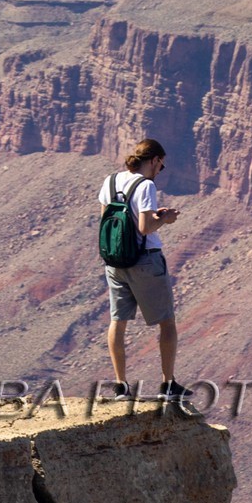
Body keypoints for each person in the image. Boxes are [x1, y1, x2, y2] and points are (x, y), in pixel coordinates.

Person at [98, 138, 184, 400]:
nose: (161, 170)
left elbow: (106, 219)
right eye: (162, 165)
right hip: (145, 261)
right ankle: (168, 385)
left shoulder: (111, 181)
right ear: (155, 160)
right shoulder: (146, 185)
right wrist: (166, 219)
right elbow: (145, 228)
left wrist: (146, 216)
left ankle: (121, 386)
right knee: (167, 322)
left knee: (118, 321)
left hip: (115, 261)